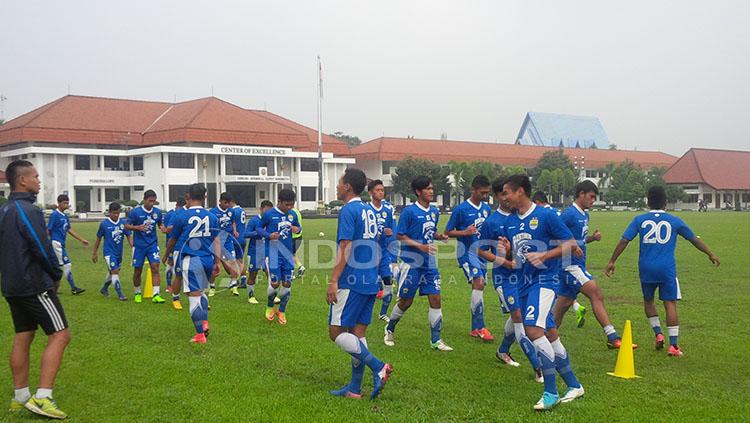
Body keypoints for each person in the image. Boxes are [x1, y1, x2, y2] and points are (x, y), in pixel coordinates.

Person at [605, 185, 720, 356]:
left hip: (646, 268)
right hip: (666, 269)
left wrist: (612, 261)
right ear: (666, 202)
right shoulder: (674, 220)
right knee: (670, 303)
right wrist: (710, 254)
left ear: (648, 202)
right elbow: (694, 239)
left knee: (648, 301)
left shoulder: (639, 220)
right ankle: (673, 346)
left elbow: (624, 240)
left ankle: (658, 334)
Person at [501, 175, 584, 410]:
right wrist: (508, 251)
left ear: (520, 192)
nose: (503, 197)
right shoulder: (511, 222)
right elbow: (517, 259)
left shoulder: (546, 215)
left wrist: (545, 256)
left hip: (546, 280)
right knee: (550, 332)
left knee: (533, 330)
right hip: (524, 283)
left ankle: (550, 392)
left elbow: (571, 244)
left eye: (506, 192)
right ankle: (574, 385)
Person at [0, 160, 71, 419]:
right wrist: (55, 273)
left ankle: (20, 397)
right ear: (23, 181)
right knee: (61, 335)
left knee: (24, 335)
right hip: (33, 285)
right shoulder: (27, 210)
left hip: (12, 285)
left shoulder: (5, 209)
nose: (39, 181)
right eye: (36, 176)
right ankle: (43, 397)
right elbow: (41, 246)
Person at [327, 168, 393, 399]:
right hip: (369, 279)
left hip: (351, 281)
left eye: (339, 182)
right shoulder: (370, 211)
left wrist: (333, 280)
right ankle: (355, 389)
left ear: (347, 187)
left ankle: (378, 366)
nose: (337, 186)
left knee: (336, 332)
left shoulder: (349, 210)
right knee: (358, 334)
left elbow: (346, 247)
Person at [478, 177, 543, 382]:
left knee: (520, 316)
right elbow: (480, 250)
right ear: (497, 196)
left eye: (509, 193)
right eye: (503, 194)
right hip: (504, 278)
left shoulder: (521, 216)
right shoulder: (492, 221)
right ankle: (538, 367)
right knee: (519, 318)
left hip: (525, 277)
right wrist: (504, 262)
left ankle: (503, 350)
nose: (507, 197)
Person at [552, 180, 631, 349]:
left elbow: (578, 240)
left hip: (577, 265)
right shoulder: (569, 214)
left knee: (560, 309)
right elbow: (553, 236)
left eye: (595, 198)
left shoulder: (584, 214)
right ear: (581, 194)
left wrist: (592, 239)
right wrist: (571, 246)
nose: (593, 201)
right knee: (596, 293)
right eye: (591, 197)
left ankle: (543, 340)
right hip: (569, 266)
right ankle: (612, 336)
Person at [384, 176, 452, 351]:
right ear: (418, 192)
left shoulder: (434, 211)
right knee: (406, 302)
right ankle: (389, 329)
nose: (431, 191)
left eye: (432, 188)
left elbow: (430, 231)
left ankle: (436, 340)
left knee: (436, 298)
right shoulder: (409, 212)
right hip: (411, 263)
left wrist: (439, 237)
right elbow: (400, 235)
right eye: (428, 189)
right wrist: (419, 246)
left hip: (429, 263)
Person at [166, 183, 221, 344]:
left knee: (193, 296)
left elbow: (173, 240)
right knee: (201, 292)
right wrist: (216, 261)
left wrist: (166, 255)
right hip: (206, 259)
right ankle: (204, 323)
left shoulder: (181, 216)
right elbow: (216, 240)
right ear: (205, 197)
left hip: (190, 259)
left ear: (187, 197)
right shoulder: (212, 216)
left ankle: (199, 335)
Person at [445, 175, 494, 341]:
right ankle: (480, 327)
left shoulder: (487, 208)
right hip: (466, 253)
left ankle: (475, 328)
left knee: (480, 286)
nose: (485, 195)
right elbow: (448, 231)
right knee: (478, 282)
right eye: (482, 192)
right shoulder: (461, 209)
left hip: (482, 253)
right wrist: (464, 232)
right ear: (473, 190)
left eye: (487, 192)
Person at [533, 190, 586, 327]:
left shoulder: (543, 215)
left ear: (537, 202)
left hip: (552, 256)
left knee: (550, 289)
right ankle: (575, 307)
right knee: (561, 289)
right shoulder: (555, 211)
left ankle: (546, 324)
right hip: (562, 255)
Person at [259, 189, 301, 324]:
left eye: (291, 205)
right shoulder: (269, 214)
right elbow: (259, 228)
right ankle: (270, 306)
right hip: (273, 254)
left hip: (288, 255)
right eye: (287, 205)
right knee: (275, 283)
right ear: (280, 202)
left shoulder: (292, 215)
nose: (289, 207)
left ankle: (282, 311)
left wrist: (297, 229)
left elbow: (298, 228)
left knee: (288, 283)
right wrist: (268, 235)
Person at [125, 190, 166, 303]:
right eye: (150, 201)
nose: (152, 203)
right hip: (139, 246)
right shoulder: (135, 212)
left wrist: (162, 227)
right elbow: (127, 225)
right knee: (138, 270)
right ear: (144, 200)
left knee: (155, 267)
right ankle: (137, 292)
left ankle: (156, 294)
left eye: (154, 201)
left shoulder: (157, 212)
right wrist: (137, 228)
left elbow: (159, 223)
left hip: (152, 245)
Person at [367, 180, 397, 322]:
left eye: (382, 190)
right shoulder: (365, 210)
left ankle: (383, 313)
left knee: (389, 284)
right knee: (370, 287)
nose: (380, 192)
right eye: (377, 190)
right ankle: (365, 312)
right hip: (369, 254)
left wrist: (389, 233)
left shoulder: (388, 209)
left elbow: (391, 230)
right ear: (370, 193)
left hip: (384, 253)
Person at [47, 194, 89, 295]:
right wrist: (43, 241)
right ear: (59, 203)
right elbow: (48, 230)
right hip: (56, 243)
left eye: (67, 203)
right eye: (64, 203)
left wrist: (81, 239)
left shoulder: (65, 216)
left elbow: (69, 229)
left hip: (61, 243)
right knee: (67, 265)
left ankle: (51, 289)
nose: (66, 205)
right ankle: (73, 288)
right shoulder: (54, 215)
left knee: (55, 267)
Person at [92, 202, 133, 301]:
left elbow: (129, 236)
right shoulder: (104, 224)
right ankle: (120, 294)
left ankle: (104, 288)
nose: (116, 215)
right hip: (108, 253)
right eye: (114, 213)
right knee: (115, 271)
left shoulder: (123, 223)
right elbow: (98, 239)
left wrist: (133, 247)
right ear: (109, 212)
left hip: (119, 253)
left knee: (113, 271)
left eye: (118, 213)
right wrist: (94, 253)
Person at [208, 192, 240, 296]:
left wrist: (234, 230)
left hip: (228, 241)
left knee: (232, 262)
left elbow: (233, 222)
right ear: (220, 201)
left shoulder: (231, 211)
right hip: (216, 241)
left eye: (229, 203)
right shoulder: (213, 212)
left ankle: (234, 285)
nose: (227, 205)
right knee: (214, 266)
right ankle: (212, 286)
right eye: (225, 203)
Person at [244, 200, 273, 304]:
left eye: (270, 212)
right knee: (253, 274)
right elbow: (245, 234)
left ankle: (272, 295)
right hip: (255, 252)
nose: (267, 214)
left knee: (271, 274)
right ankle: (251, 295)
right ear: (261, 209)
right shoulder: (254, 221)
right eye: (266, 211)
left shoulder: (271, 221)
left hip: (267, 251)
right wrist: (258, 232)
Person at [164, 197, 187, 295]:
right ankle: (169, 285)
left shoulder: (173, 213)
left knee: (178, 264)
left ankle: (174, 285)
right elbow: (168, 229)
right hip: (174, 243)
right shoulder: (174, 214)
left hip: (179, 243)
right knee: (172, 263)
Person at [291, 207, 306, 278]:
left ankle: (291, 273)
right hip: (299, 237)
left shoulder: (290, 213)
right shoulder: (297, 212)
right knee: (292, 254)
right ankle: (300, 267)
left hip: (292, 237)